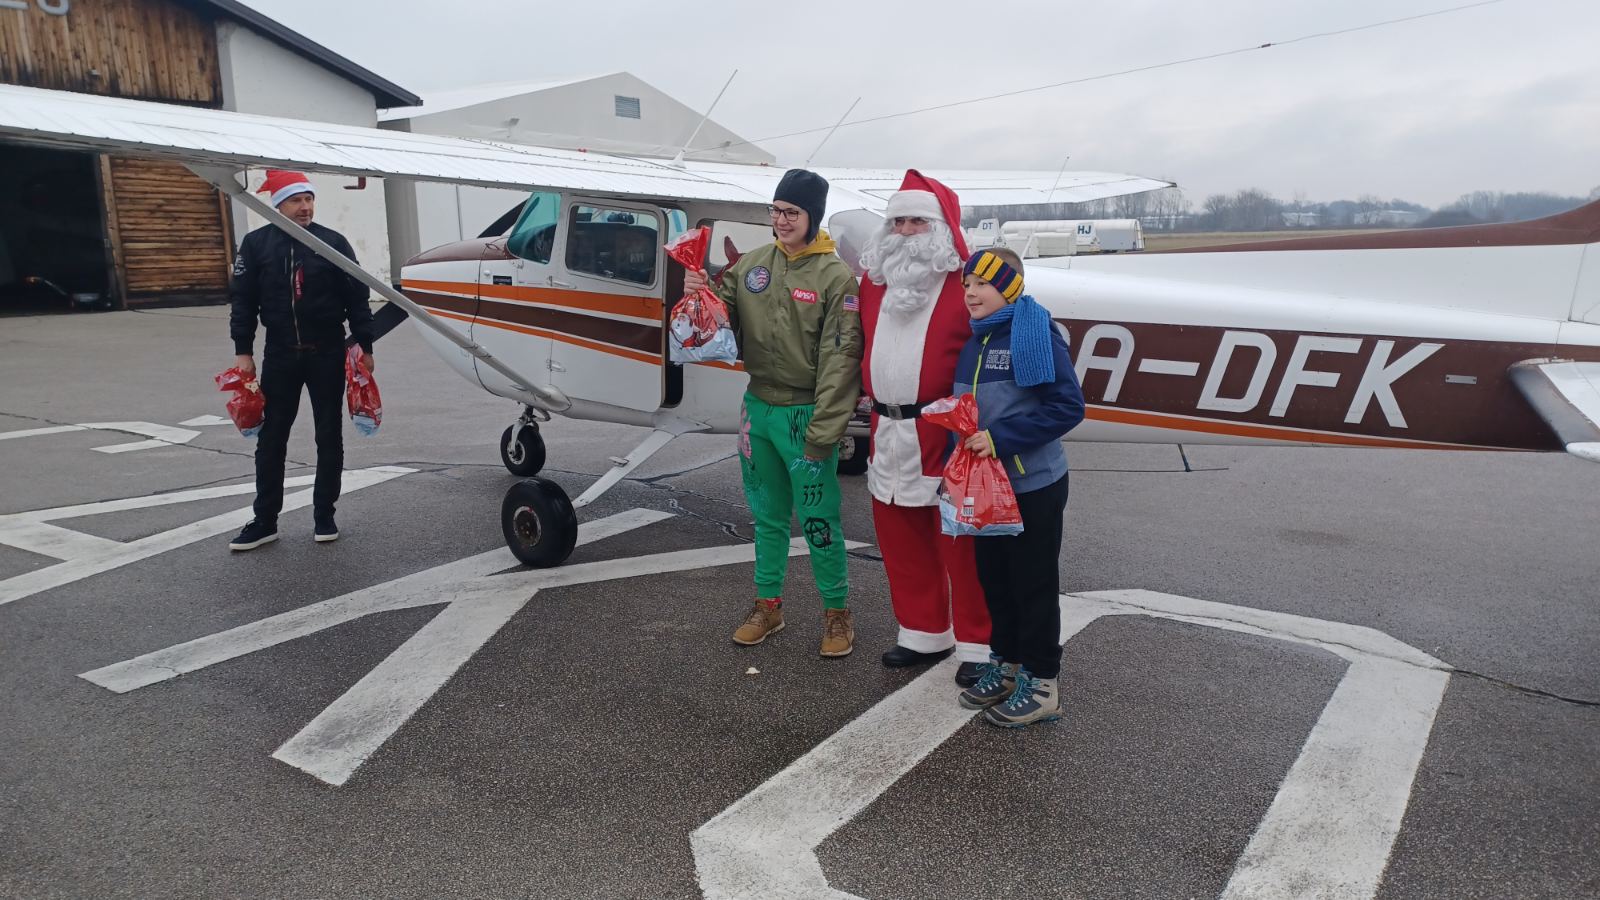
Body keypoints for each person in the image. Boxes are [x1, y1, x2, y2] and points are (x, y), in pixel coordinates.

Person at [684, 170, 864, 657]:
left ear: (813, 217)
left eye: (793, 213)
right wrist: (699, 292)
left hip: (805, 415)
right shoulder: (754, 266)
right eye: (776, 211)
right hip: (757, 409)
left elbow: (841, 359)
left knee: (819, 519)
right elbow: (719, 325)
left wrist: (825, 429)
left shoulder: (835, 276)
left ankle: (836, 613)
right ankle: (769, 606)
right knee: (766, 517)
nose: (781, 221)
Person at [856, 171, 991, 686]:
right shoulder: (872, 285)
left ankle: (979, 642)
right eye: (900, 220)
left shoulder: (968, 287)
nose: (908, 231)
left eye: (919, 220)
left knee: (961, 541)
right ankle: (922, 632)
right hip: (886, 427)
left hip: (947, 431)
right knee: (899, 533)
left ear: (941, 229)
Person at [949, 248, 1085, 727]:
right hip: (986, 489)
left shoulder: (1035, 335)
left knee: (1033, 584)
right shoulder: (976, 341)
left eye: (982, 284)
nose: (970, 292)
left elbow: (1068, 407)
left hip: (1033, 484)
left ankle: (1043, 682)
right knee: (996, 582)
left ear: (1009, 288)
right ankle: (1006, 666)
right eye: (967, 284)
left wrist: (1001, 439)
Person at [227, 170, 375, 551]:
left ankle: (324, 515)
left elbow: (357, 297)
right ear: (278, 205)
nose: (306, 206)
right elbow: (243, 301)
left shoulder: (333, 242)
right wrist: (243, 351)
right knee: (271, 439)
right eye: (296, 199)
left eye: (309, 198)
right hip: (279, 356)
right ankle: (265, 521)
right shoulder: (256, 245)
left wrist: (365, 347)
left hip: (327, 353)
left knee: (329, 435)